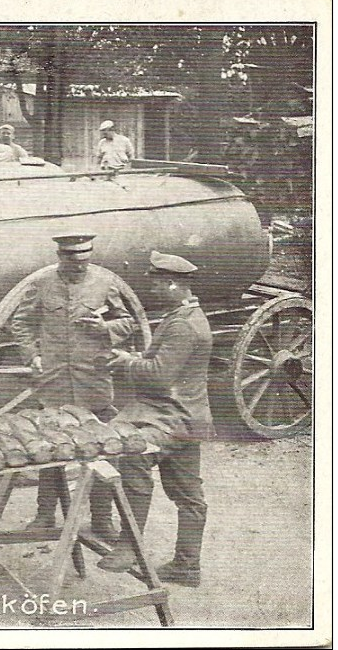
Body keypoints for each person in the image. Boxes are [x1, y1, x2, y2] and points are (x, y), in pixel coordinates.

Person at [9, 233, 137, 541]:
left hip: (93, 382)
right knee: (51, 450)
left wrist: (105, 327)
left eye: (85, 259)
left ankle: (102, 520)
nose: (80, 266)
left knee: (102, 451)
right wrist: (33, 354)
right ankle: (44, 515)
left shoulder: (105, 284)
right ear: (60, 257)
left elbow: (127, 322)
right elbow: (21, 323)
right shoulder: (42, 285)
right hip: (54, 383)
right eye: (73, 260)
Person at [97, 251, 213, 588]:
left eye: (158, 284)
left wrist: (127, 362)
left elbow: (160, 376)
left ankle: (130, 545)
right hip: (188, 419)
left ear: (174, 284)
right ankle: (187, 567)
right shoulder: (183, 315)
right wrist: (134, 358)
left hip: (172, 420)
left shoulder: (184, 326)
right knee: (189, 494)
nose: (153, 289)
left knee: (133, 456)